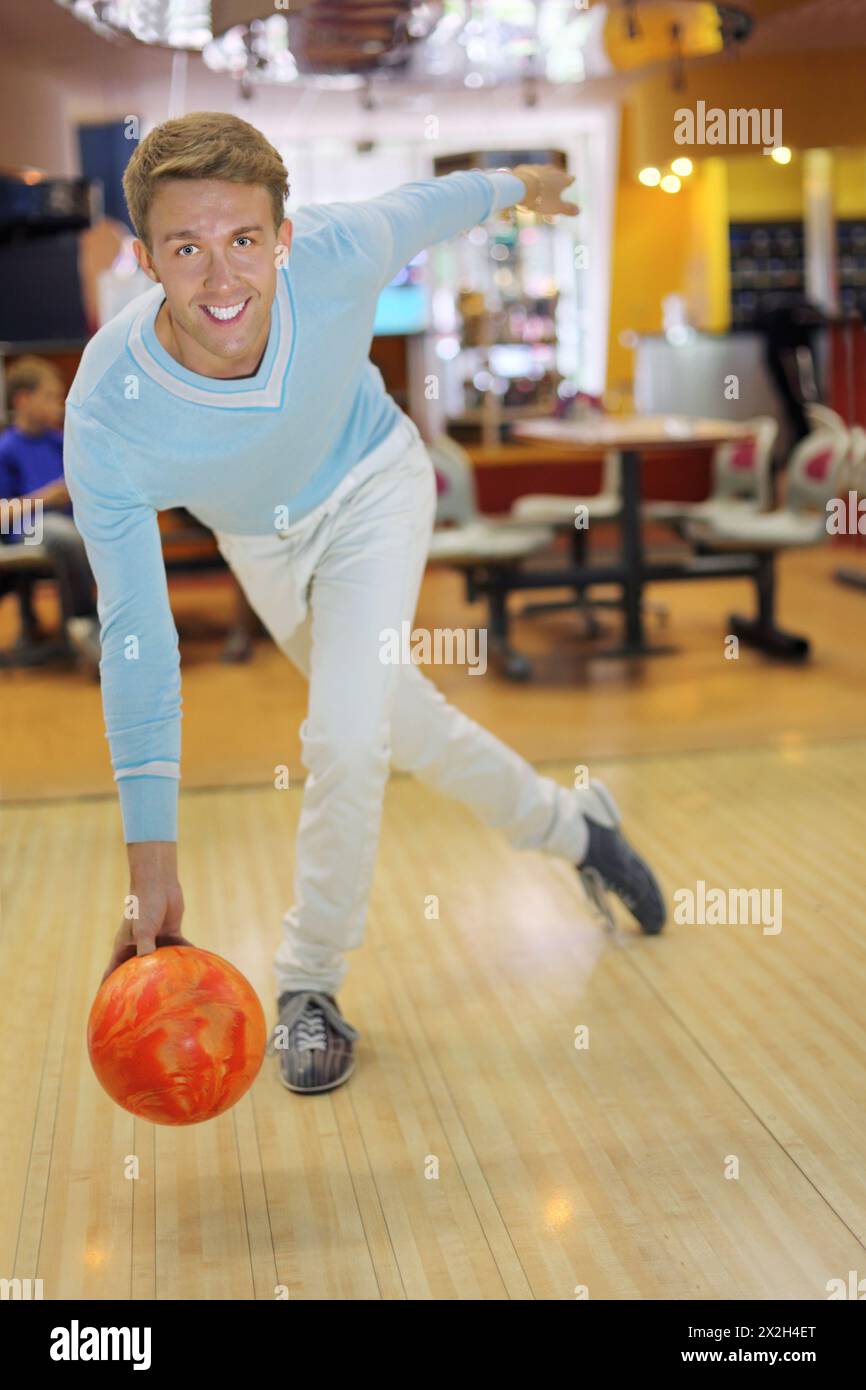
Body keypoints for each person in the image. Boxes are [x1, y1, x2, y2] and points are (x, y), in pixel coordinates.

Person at [64, 111, 666, 1096]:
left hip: (374, 489)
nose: (222, 280)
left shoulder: (337, 253)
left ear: (284, 238)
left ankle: (307, 985)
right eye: (186, 248)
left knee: (346, 734)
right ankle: (577, 830)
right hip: (258, 540)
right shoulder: (105, 409)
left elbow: (424, 205)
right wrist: (151, 865)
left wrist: (519, 179)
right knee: (405, 726)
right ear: (143, 258)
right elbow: (136, 636)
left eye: (244, 241)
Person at [0, 356, 100, 669]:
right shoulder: (7, 448)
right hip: (25, 530)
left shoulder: (62, 442)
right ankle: (84, 624)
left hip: (74, 524)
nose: (59, 404)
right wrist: (47, 497)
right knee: (60, 532)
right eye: (50, 396)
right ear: (23, 399)